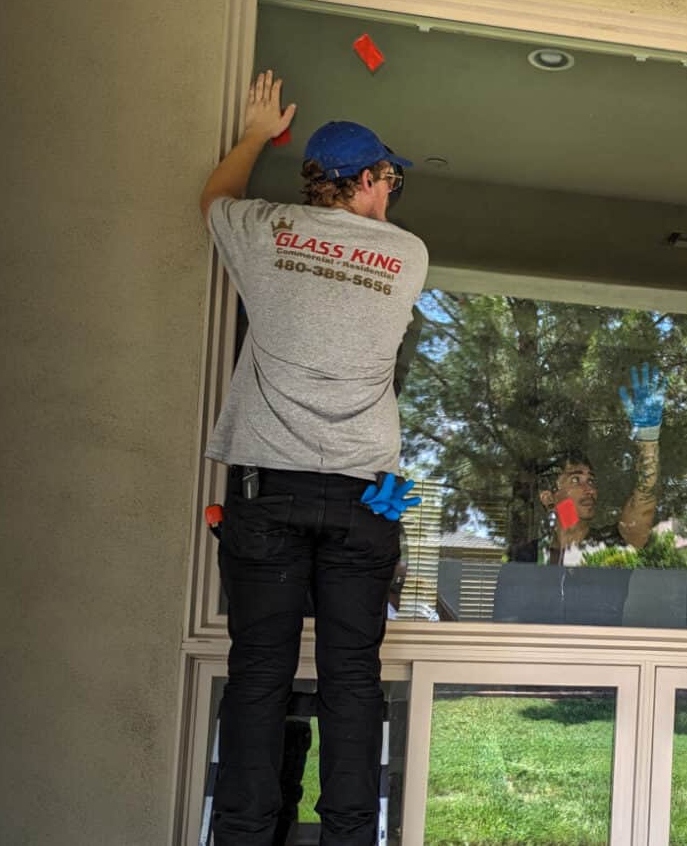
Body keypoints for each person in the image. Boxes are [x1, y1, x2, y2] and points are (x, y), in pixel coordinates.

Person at [199, 70, 428, 846]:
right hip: (364, 500)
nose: (391, 194)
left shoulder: (261, 232)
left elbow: (212, 199)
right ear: (363, 181)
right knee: (351, 683)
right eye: (387, 180)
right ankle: (349, 839)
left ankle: (239, 837)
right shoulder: (408, 258)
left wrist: (259, 132)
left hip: (268, 492)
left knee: (259, 676)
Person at [507, 364, 666, 566]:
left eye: (591, 480)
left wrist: (648, 442)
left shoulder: (612, 545)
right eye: (576, 479)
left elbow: (642, 503)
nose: (590, 489)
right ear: (548, 498)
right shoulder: (524, 558)